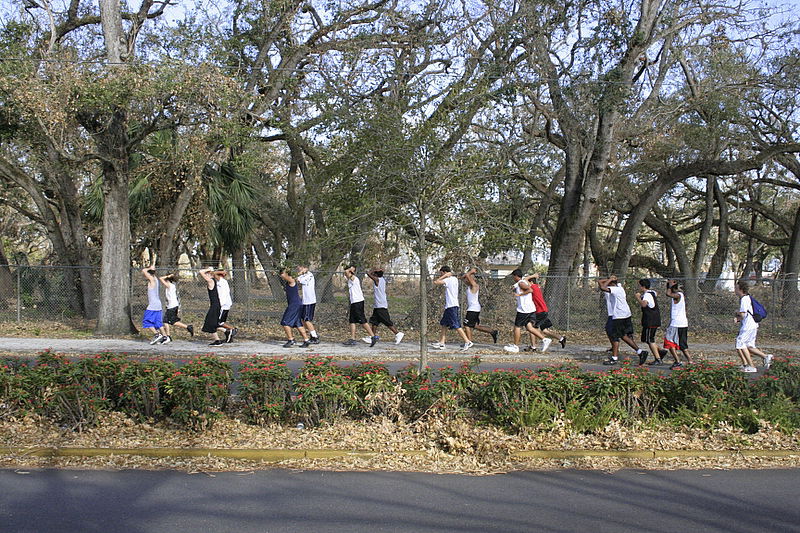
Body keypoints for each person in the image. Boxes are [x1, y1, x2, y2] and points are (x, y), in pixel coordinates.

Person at [598, 275, 648, 365]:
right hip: (620, 314)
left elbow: (602, 287)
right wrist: (611, 279)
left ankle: (616, 357)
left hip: (619, 315)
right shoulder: (615, 287)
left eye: (609, 283)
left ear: (612, 283)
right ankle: (639, 352)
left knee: (616, 335)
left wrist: (610, 279)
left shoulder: (617, 289)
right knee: (621, 335)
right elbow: (600, 282)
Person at [734, 280, 773, 372]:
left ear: (740, 289)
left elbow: (743, 314)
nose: (734, 290)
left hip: (748, 326)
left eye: (736, 288)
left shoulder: (744, 299)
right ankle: (766, 357)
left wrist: (737, 315)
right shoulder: (748, 298)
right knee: (749, 346)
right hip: (753, 325)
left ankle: (750, 366)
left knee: (739, 344)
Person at [431, 266, 472, 351]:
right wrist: (447, 275)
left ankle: (467, 341)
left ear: (444, 272)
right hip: (450, 306)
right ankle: (442, 343)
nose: (440, 274)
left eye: (441, 273)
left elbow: (436, 282)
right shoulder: (455, 279)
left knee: (456, 325)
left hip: (451, 306)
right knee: (444, 324)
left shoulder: (448, 279)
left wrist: (445, 276)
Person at [503, 269, 541, 353]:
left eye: (513, 276)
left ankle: (516, 347)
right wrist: (534, 276)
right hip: (530, 309)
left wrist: (519, 294)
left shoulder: (521, 283)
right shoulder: (523, 281)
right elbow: (526, 278)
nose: (513, 278)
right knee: (530, 328)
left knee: (517, 327)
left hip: (524, 309)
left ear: (516, 276)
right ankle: (544, 339)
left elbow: (530, 290)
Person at [525, 273, 566, 352]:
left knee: (531, 328)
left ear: (531, 282)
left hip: (539, 311)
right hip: (543, 310)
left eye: (528, 283)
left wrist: (533, 276)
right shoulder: (537, 287)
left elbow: (525, 280)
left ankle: (533, 347)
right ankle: (561, 338)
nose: (526, 284)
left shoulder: (533, 287)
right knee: (544, 330)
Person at [363, 267, 404, 345]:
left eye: (374, 274)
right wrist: (378, 270)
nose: (373, 274)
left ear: (376, 275)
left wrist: (374, 269)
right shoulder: (382, 280)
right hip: (377, 305)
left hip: (380, 305)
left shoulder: (377, 280)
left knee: (387, 321)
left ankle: (398, 333)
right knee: (374, 322)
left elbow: (368, 273)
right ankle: (373, 337)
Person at [460, 267, 499, 344]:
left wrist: (471, 272)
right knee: (475, 326)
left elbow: (467, 275)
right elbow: (462, 278)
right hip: (474, 308)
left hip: (473, 309)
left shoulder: (474, 286)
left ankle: (469, 342)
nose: (465, 280)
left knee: (466, 325)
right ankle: (493, 332)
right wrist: (468, 274)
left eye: (467, 279)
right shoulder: (469, 286)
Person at [343, 266, 377, 346]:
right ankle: (352, 339)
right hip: (354, 302)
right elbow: (346, 272)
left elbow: (347, 272)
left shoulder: (354, 278)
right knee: (352, 321)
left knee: (362, 321)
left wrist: (351, 269)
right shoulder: (349, 278)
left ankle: (373, 336)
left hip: (358, 302)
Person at [664, 279, 694, 369]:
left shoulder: (678, 295)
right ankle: (690, 361)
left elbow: (668, 294)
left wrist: (670, 285)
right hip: (682, 323)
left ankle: (678, 361)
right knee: (682, 344)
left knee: (669, 342)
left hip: (676, 324)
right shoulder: (679, 295)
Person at [635, 278, 665, 366]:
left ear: (643, 286)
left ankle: (658, 359)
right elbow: (656, 293)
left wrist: (638, 298)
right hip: (651, 320)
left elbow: (644, 304)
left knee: (650, 340)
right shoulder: (651, 292)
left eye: (639, 285)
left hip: (650, 320)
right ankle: (660, 351)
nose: (638, 287)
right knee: (645, 339)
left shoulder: (647, 295)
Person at [279, 268, 311, 348]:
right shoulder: (290, 280)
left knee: (285, 322)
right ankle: (306, 340)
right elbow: (283, 275)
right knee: (298, 323)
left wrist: (286, 269)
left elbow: (283, 275)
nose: (282, 276)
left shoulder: (292, 280)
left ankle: (291, 340)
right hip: (297, 304)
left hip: (294, 305)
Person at [158, 273, 194, 342]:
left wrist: (168, 276)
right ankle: (188, 327)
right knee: (172, 321)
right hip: (172, 305)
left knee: (165, 321)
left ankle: (168, 336)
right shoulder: (172, 285)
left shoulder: (169, 285)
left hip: (172, 306)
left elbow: (160, 278)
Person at [199, 267, 230, 346]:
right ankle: (225, 332)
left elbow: (201, 271)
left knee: (210, 323)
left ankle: (217, 341)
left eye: (208, 274)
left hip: (216, 305)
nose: (207, 275)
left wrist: (209, 269)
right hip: (215, 305)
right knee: (212, 323)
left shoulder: (211, 281)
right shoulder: (214, 282)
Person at [141, 259, 168, 344]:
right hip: (158, 304)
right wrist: (152, 268)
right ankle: (165, 337)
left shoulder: (152, 279)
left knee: (146, 321)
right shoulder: (155, 279)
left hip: (153, 305)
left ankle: (157, 334)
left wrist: (149, 268)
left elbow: (143, 270)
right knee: (158, 323)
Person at [297, 265, 320, 344]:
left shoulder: (309, 275)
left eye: (300, 267)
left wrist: (300, 274)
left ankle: (315, 337)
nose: (299, 269)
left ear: (305, 268)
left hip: (310, 301)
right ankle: (312, 333)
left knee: (307, 319)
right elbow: (298, 279)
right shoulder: (304, 275)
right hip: (305, 301)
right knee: (303, 319)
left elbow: (299, 280)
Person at [214, 270, 238, 343]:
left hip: (223, 305)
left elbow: (214, 274)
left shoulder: (222, 281)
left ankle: (232, 330)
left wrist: (218, 272)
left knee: (217, 322)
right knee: (220, 322)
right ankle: (231, 332)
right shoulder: (220, 282)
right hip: (224, 304)